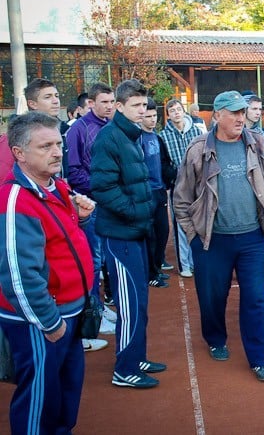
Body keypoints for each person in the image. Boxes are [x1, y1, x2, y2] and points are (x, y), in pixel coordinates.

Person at [174, 90, 264, 382]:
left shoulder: (258, 143)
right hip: (212, 240)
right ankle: (215, 338)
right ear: (217, 116)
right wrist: (193, 236)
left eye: (242, 112)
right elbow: (181, 199)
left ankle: (260, 358)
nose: (240, 117)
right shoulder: (198, 149)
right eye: (234, 113)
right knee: (212, 297)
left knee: (255, 299)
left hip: (253, 238)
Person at [0, 112, 97, 433]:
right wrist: (48, 322)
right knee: (39, 400)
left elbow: (56, 245)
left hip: (68, 312)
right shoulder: (14, 199)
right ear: (19, 153)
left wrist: (79, 219)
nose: (57, 152)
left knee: (65, 395)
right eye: (45, 146)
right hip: (42, 320)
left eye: (58, 144)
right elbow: (18, 272)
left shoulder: (57, 187)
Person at [90, 79, 166, 389]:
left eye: (144, 105)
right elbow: (103, 189)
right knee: (130, 301)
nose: (142, 110)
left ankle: (135, 356)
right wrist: (137, 212)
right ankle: (125, 369)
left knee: (140, 301)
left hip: (134, 233)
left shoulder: (130, 135)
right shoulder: (109, 139)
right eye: (135, 105)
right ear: (119, 107)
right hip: (120, 235)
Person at [66, 82, 117, 345]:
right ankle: (94, 312)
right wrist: (101, 189)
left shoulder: (111, 127)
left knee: (106, 259)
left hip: (110, 203)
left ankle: (101, 307)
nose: (109, 106)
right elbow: (73, 170)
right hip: (92, 205)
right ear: (91, 103)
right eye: (104, 102)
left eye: (112, 102)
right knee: (94, 261)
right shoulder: (79, 130)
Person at [158, 99, 204, 278]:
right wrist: (176, 174)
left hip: (198, 186)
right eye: (172, 110)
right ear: (168, 115)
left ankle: (196, 262)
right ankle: (185, 264)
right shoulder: (163, 136)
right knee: (180, 227)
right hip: (178, 188)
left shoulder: (196, 131)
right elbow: (164, 164)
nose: (176, 113)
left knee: (199, 223)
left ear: (183, 111)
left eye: (178, 109)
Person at [140, 97, 176, 289]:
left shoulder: (156, 137)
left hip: (160, 190)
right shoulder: (137, 138)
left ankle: (157, 266)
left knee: (163, 231)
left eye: (154, 116)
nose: (152, 119)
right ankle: (151, 273)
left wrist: (170, 176)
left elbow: (163, 162)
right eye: (148, 116)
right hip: (147, 193)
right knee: (150, 235)